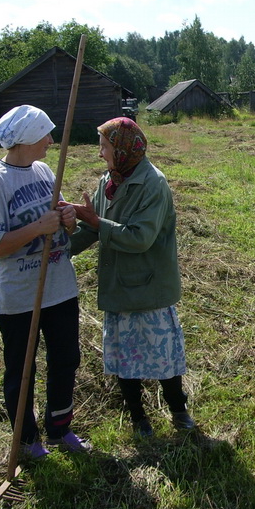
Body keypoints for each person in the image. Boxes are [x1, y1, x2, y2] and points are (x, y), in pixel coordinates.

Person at [66, 117, 195, 440]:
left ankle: (178, 410)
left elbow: (140, 238)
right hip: (118, 284)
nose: (100, 154)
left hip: (148, 284)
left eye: (104, 147)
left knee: (162, 355)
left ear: (123, 149)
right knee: (124, 357)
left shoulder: (153, 184)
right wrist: (59, 250)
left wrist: (97, 222)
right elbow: (92, 229)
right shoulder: (109, 181)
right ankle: (138, 416)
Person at [0, 104, 91, 460]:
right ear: (28, 137)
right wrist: (37, 228)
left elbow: (62, 223)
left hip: (59, 288)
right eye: (45, 134)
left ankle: (60, 429)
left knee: (66, 359)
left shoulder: (44, 171)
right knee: (21, 369)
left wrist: (68, 218)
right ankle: (27, 441)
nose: (51, 141)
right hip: (19, 296)